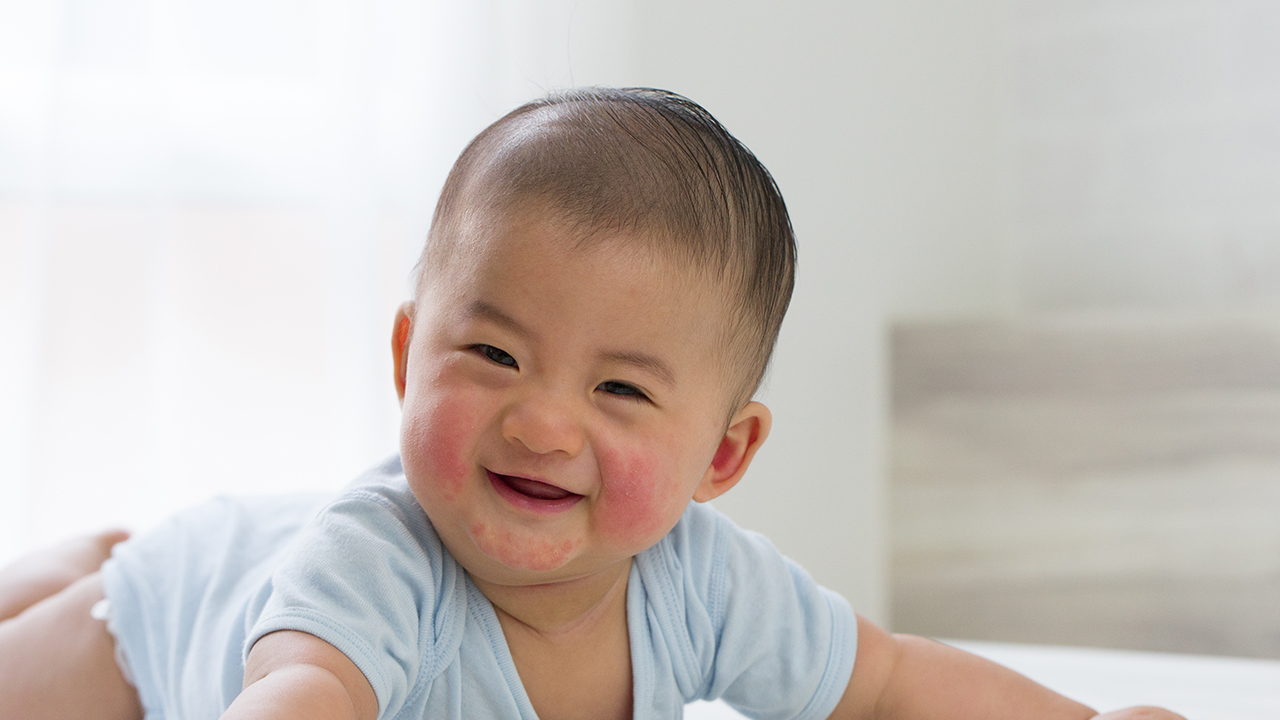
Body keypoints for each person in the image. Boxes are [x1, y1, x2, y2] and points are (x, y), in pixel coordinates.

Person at [0, 88, 1183, 720]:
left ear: (721, 454)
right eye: (494, 356)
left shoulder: (705, 584)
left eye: (618, 388)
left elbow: (883, 683)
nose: (543, 423)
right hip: (167, 622)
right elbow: (303, 692)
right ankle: (93, 562)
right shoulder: (374, 560)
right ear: (410, 353)